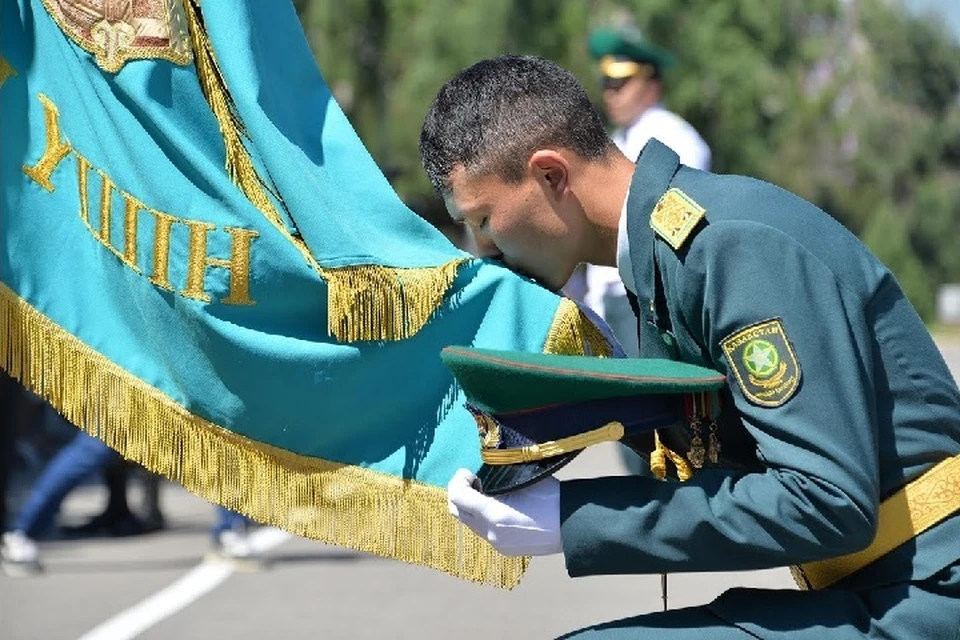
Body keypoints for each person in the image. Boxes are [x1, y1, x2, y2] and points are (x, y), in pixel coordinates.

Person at [419, 54, 960, 638]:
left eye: (483, 219)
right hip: (877, 587)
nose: (484, 249)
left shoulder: (730, 249)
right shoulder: (662, 258)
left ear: (551, 176)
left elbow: (826, 499)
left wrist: (571, 518)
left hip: (926, 596)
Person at [574, 25, 712, 474]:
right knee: (629, 431)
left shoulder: (672, 136)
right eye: (606, 83)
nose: (611, 92)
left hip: (646, 302)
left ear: (651, 83)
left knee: (656, 436)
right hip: (617, 303)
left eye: (622, 82)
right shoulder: (619, 138)